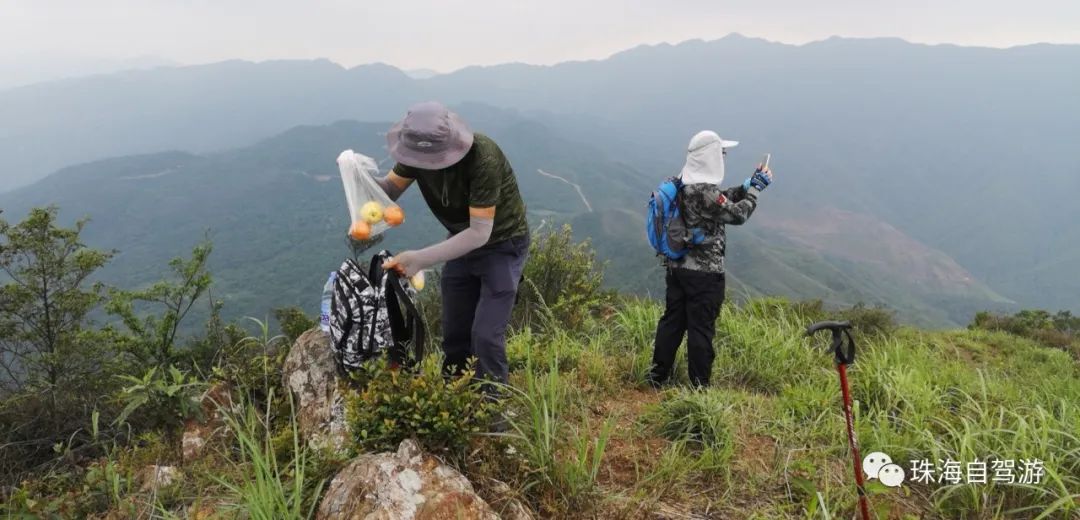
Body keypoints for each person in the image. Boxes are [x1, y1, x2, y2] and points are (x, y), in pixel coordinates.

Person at [374, 101, 530, 391]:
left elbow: (479, 233)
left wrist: (420, 258)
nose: (428, 163)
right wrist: (357, 174)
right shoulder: (417, 152)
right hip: (459, 243)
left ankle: (493, 409)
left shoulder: (484, 156)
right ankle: (455, 395)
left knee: (485, 335)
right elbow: (390, 190)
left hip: (502, 245)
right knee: (455, 330)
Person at [648, 130, 773, 388]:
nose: (723, 157)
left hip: (677, 267)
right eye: (721, 153)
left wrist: (745, 186)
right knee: (701, 329)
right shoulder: (705, 192)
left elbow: (719, 201)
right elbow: (736, 214)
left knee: (672, 321)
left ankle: (657, 377)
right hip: (705, 275)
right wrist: (756, 191)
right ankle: (698, 389)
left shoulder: (682, 183)